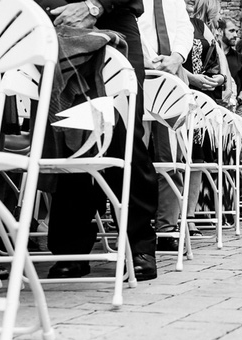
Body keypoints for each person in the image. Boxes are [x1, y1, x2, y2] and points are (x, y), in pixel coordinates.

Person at [45, 0, 159, 281]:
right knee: (67, 130)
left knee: (123, 133)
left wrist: (94, 5)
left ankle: (139, 244)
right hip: (56, 25)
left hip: (114, 18)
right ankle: (71, 249)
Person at [138, 0, 193, 252]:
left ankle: (166, 229)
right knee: (133, 151)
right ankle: (135, 224)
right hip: (138, 72)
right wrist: (143, 58)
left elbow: (185, 28)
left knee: (170, 155)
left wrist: (177, 57)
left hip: (172, 76)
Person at [180, 0, 229, 235]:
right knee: (173, 159)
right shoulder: (170, 20)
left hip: (199, 100)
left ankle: (189, 216)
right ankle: (166, 217)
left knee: (195, 159)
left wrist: (217, 79)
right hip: (173, 92)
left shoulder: (202, 27)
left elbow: (216, 67)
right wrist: (190, 78)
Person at [218, 18, 242, 112]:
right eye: (231, 31)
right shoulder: (211, 55)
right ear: (220, 31)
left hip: (235, 109)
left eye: (236, 31)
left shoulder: (241, 59)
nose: (235, 35)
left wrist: (237, 100)